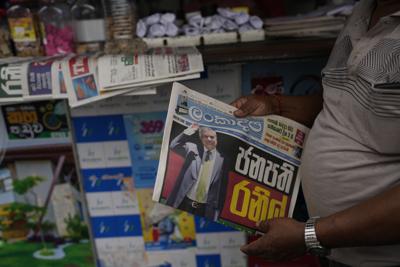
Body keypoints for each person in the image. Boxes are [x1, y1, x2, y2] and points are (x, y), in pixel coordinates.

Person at [232, 0, 400, 266]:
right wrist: (276, 106)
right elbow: (341, 104)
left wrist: (309, 235)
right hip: (338, 252)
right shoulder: (364, 10)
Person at [166, 124, 224, 220]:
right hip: (183, 202)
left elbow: (221, 189)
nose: (209, 139)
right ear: (201, 138)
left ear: (216, 139)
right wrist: (189, 131)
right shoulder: (192, 147)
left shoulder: (222, 159)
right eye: (206, 137)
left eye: (212, 137)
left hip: (204, 208)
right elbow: (173, 145)